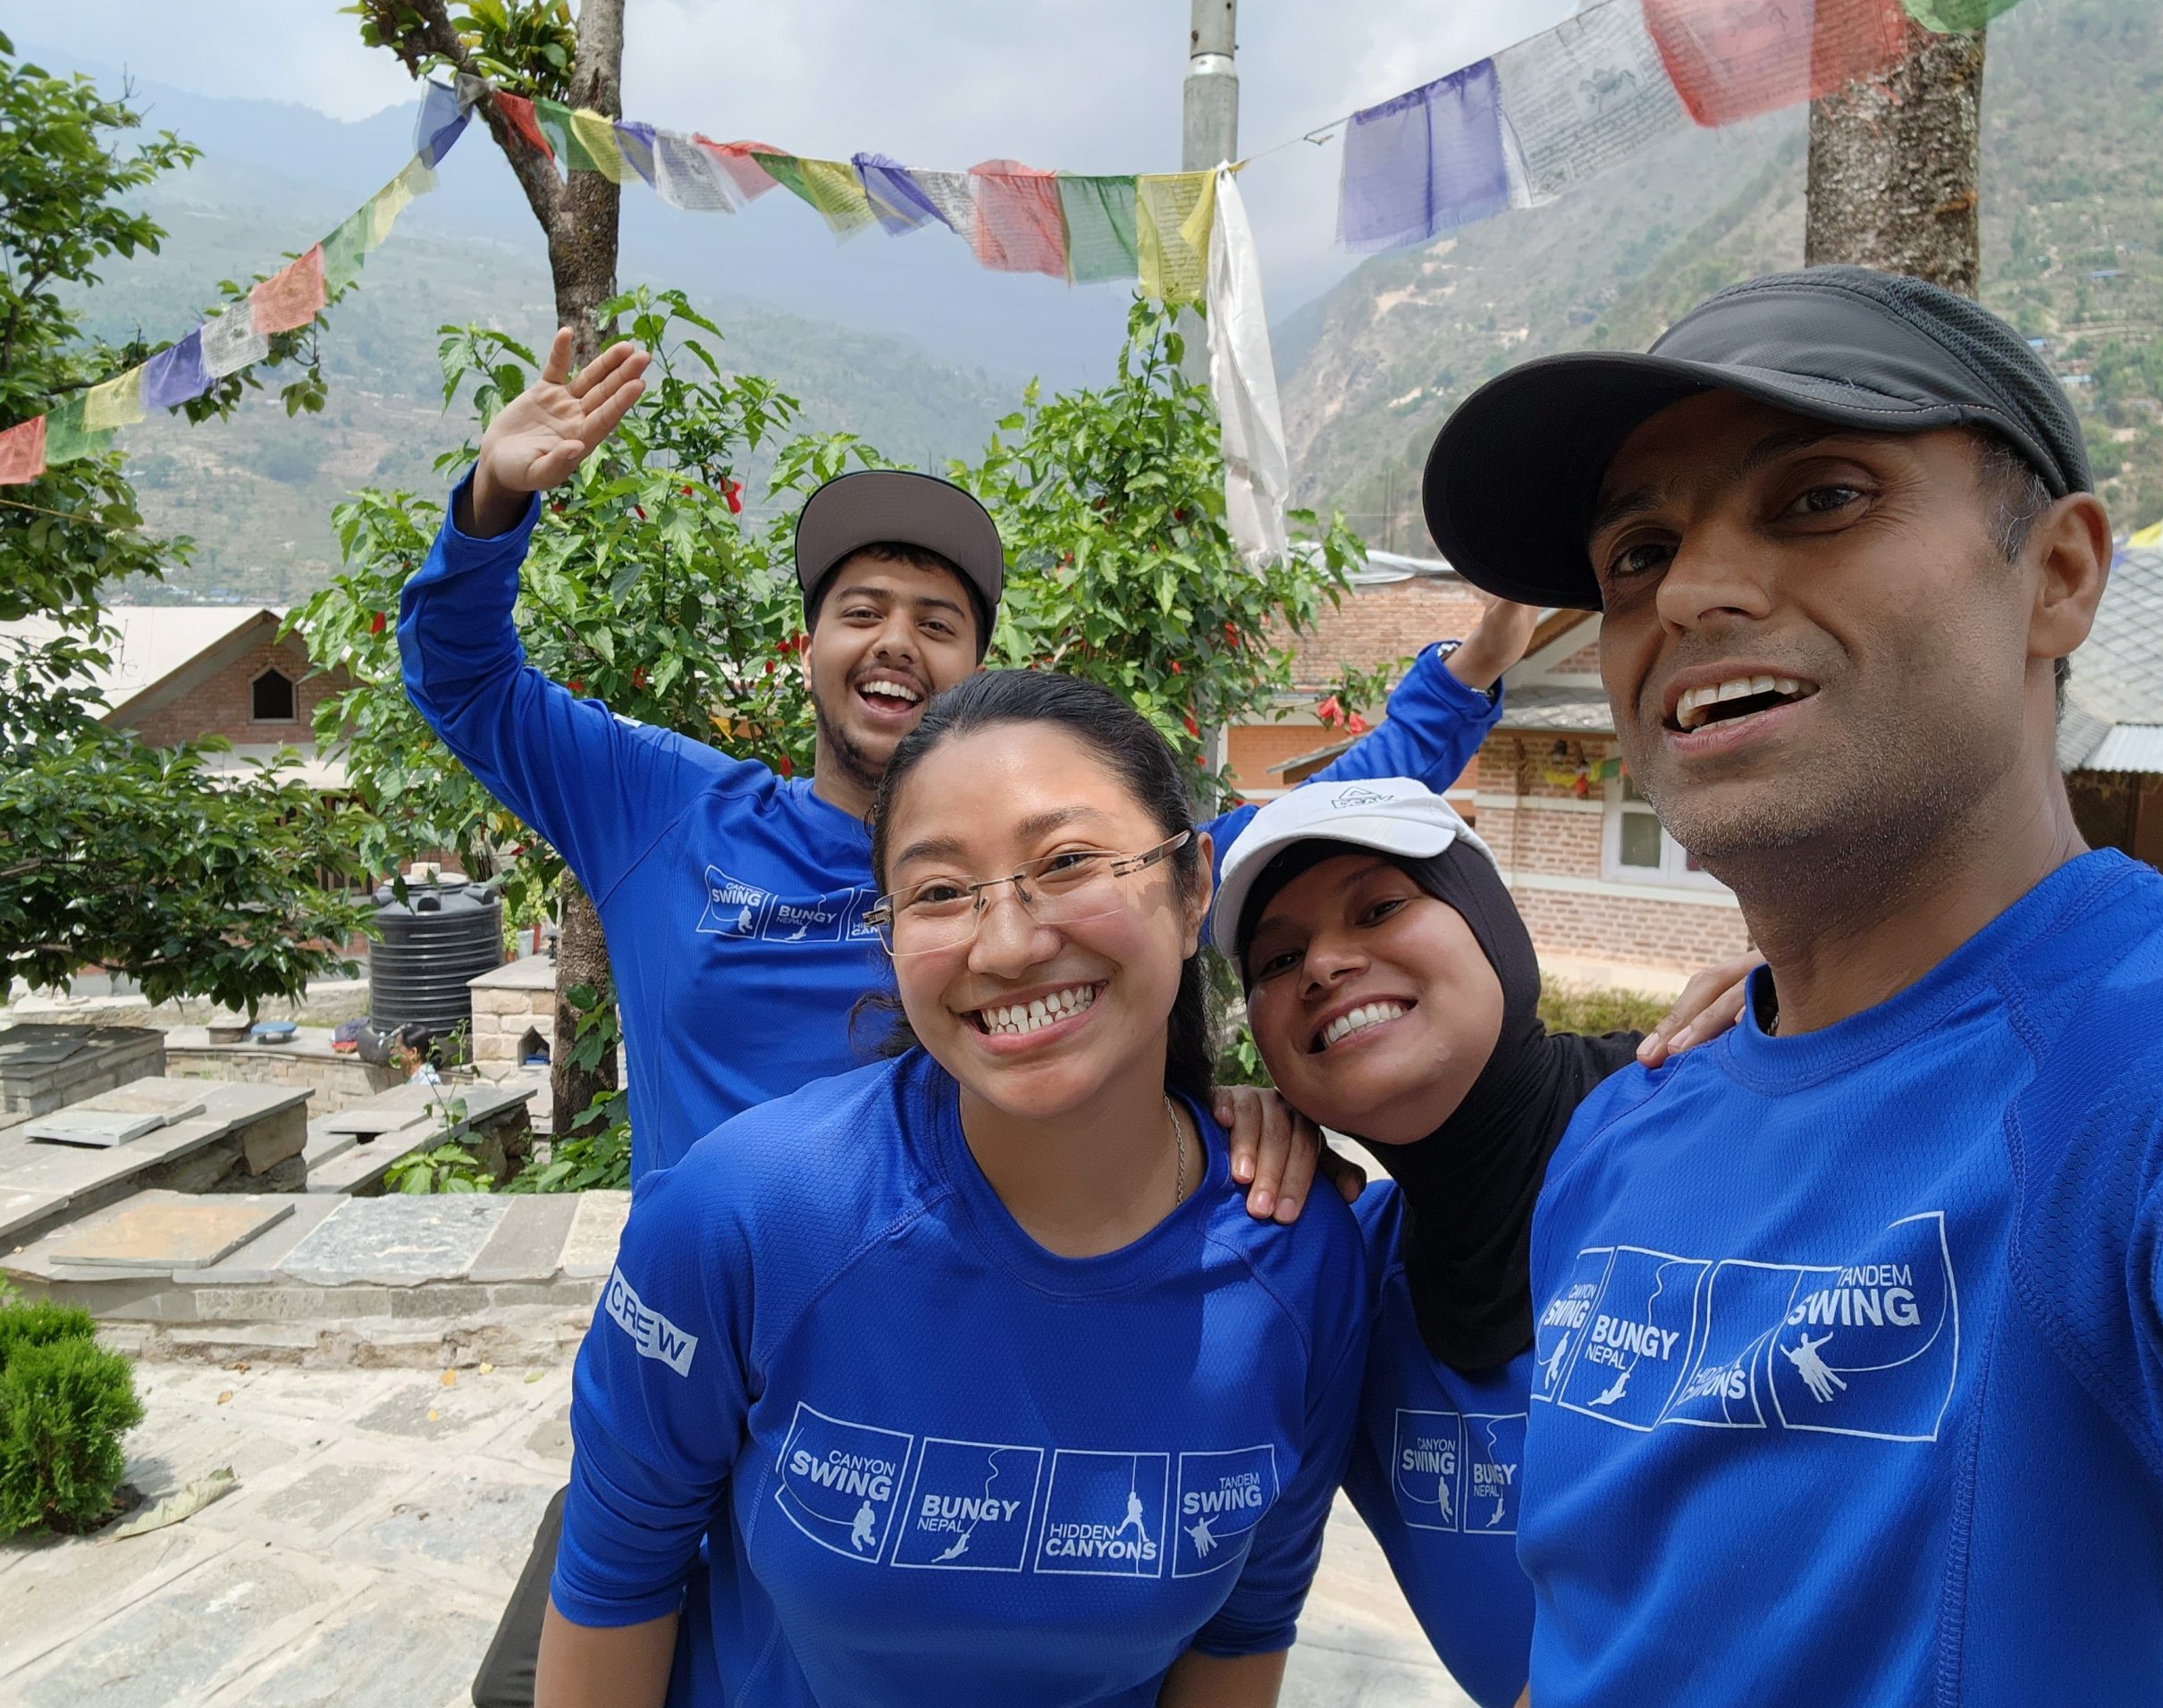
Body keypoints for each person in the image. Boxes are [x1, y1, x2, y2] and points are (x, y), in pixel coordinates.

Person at [1382, 265, 2163, 1703]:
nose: (1687, 590)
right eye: (1636, 550)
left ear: (2057, 575)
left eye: (1820, 499)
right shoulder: (1623, 1142)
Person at [401, 326, 1544, 1183]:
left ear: (975, 675)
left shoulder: (1059, 867)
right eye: (862, 611)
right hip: (713, 1344)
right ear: (808, 648)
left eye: (937, 623)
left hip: (962, 1339)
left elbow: (1313, 815)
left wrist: (1472, 670)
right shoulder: (663, 811)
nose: (896, 640)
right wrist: (496, 499)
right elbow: (467, 682)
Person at [535, 668, 1369, 1707]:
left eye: (1066, 863)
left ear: (1194, 885)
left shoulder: (1302, 1257)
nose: (1008, 943)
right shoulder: (749, 1212)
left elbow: (1245, 1629)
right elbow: (618, 1577)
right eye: (937, 892)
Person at [1208, 778, 1753, 1707]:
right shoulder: (1334, 1281)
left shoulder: (1720, 1127)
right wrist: (1191, 1126)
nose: (1324, 966)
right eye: (1276, 958)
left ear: (1491, 926)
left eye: (1380, 907)